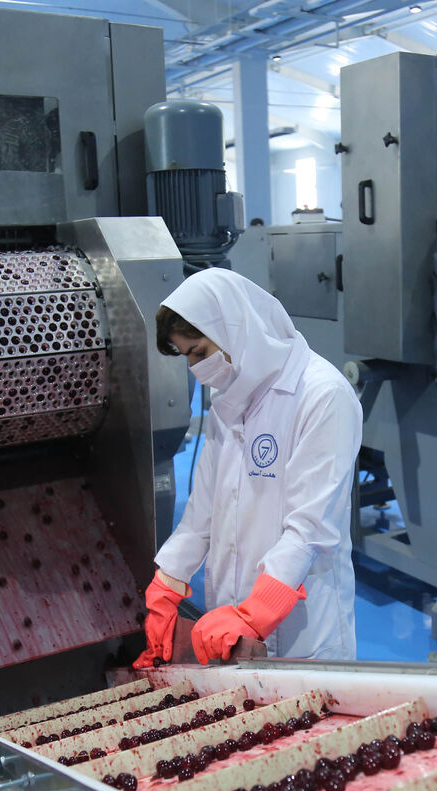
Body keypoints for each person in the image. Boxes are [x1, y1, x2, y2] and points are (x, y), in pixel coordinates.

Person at [131, 268, 361, 666]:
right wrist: (168, 582)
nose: (196, 369)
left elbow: (309, 531)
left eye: (199, 352)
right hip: (229, 631)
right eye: (188, 358)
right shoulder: (231, 398)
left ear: (233, 328)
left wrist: (255, 614)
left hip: (301, 634)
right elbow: (202, 515)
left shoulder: (323, 395)